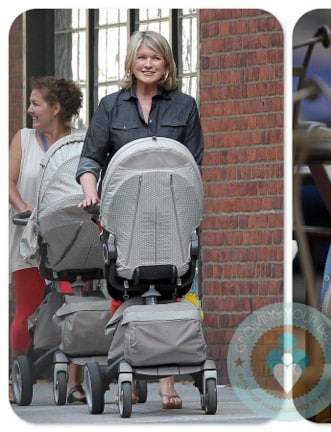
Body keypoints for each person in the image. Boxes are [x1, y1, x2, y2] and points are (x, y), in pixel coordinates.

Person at [76, 30, 204, 410]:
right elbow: (90, 160)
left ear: (167, 64)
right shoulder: (111, 106)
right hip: (123, 214)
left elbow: (194, 166)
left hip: (172, 214)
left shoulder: (185, 106)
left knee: (172, 289)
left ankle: (167, 385)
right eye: (142, 57)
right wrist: (89, 189)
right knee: (122, 291)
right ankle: (126, 373)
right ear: (131, 62)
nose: (148, 64)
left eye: (156, 58)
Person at [9, 76, 86, 404]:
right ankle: (16, 375)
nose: (30, 109)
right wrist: (24, 207)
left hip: (70, 239)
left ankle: (74, 382)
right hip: (27, 236)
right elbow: (8, 181)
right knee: (26, 311)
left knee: (77, 307)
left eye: (36, 103)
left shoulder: (79, 143)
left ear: (56, 109)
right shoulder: (24, 139)